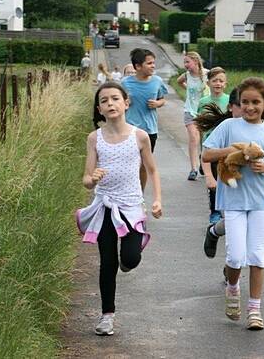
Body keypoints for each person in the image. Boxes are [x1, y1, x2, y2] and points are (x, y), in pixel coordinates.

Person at [202, 77, 264, 331]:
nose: (250, 107)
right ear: (238, 104)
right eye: (245, 102)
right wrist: (233, 152)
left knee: (256, 255)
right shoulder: (229, 126)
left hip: (260, 202)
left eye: (256, 102)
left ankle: (255, 309)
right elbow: (206, 154)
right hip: (232, 200)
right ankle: (232, 288)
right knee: (235, 256)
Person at [75, 82, 163, 336]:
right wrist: (93, 178)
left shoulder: (140, 136)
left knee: (131, 259)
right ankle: (107, 316)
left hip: (131, 206)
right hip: (104, 206)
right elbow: (86, 178)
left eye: (115, 98)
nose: (110, 103)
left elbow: (152, 169)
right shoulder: (94, 138)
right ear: (99, 109)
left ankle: (127, 261)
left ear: (126, 103)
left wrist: (157, 199)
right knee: (107, 262)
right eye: (104, 101)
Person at [121, 48, 168, 190]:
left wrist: (157, 103)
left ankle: (139, 196)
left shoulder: (157, 81)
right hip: (130, 129)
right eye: (149, 63)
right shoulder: (125, 83)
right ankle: (126, 191)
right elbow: (119, 102)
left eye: (153, 63)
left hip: (149, 130)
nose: (153, 66)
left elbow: (162, 99)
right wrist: (125, 103)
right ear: (138, 67)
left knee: (143, 165)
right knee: (129, 164)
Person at [196, 67, 229, 223]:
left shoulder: (229, 101)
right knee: (213, 180)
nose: (218, 84)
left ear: (225, 83)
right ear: (208, 83)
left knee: (227, 177)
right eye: (214, 80)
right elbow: (200, 123)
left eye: (221, 81)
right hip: (210, 145)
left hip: (226, 145)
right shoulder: (203, 102)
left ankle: (228, 208)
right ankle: (214, 211)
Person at [176, 52, 209, 180]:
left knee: (205, 140)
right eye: (184, 62)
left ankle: (203, 161)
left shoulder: (207, 74)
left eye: (187, 62)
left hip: (205, 111)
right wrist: (188, 91)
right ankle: (193, 169)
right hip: (190, 110)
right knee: (194, 138)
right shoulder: (186, 76)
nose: (185, 65)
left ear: (195, 61)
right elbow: (179, 82)